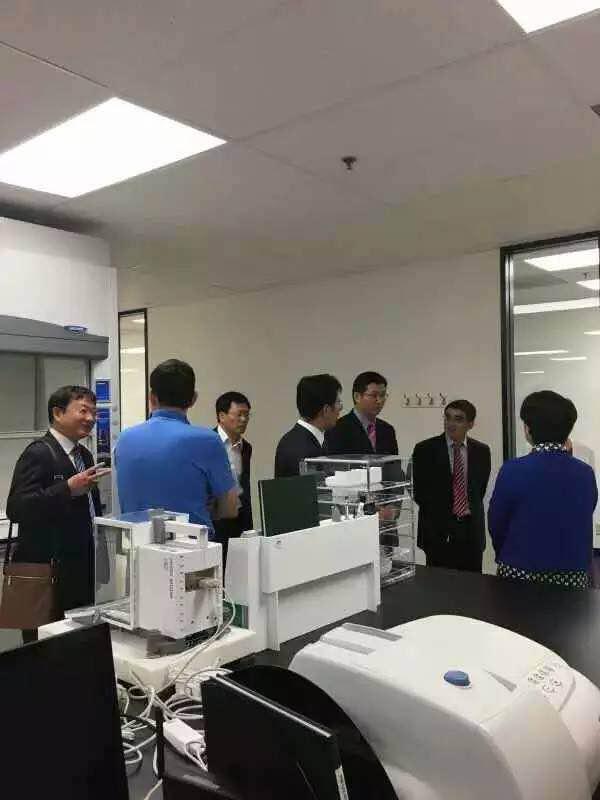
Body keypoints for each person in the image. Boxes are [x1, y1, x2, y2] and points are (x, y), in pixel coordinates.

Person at [6, 385, 111, 641]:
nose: (90, 418)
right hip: (47, 575)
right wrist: (67, 488)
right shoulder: (39, 453)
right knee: (45, 648)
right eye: (83, 411)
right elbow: (17, 508)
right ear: (58, 413)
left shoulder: (84, 455)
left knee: (76, 644)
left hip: (80, 570)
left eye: (94, 412)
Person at [115, 360, 238, 536]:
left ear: (151, 397)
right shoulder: (207, 440)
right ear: (193, 399)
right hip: (191, 548)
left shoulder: (124, 439)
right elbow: (229, 508)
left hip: (135, 546)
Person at [489, 391, 597, 590]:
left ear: (528, 428)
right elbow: (585, 514)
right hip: (571, 573)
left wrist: (508, 553)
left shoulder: (512, 470)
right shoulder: (585, 473)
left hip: (518, 570)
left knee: (514, 612)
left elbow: (497, 523)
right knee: (568, 612)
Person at [412, 400, 491, 572]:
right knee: (439, 585)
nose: (451, 424)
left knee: (472, 584)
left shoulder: (482, 451)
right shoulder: (425, 449)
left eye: (458, 419)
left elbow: (479, 491)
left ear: (470, 424)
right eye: (447, 418)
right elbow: (418, 492)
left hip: (471, 533)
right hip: (438, 533)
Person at [274, 374, 342, 478]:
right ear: (326, 410)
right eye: (338, 402)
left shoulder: (297, 439)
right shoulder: (302, 449)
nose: (341, 407)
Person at [213, 391, 253, 567]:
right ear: (221, 416)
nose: (244, 420)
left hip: (241, 518)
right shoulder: (209, 443)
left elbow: (244, 484)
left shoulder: (246, 447)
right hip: (216, 518)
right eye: (239, 414)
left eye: (247, 415)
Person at [326, 371, 398, 455]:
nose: (379, 401)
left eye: (382, 395)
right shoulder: (337, 429)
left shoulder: (387, 430)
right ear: (357, 397)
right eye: (374, 395)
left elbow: (394, 461)